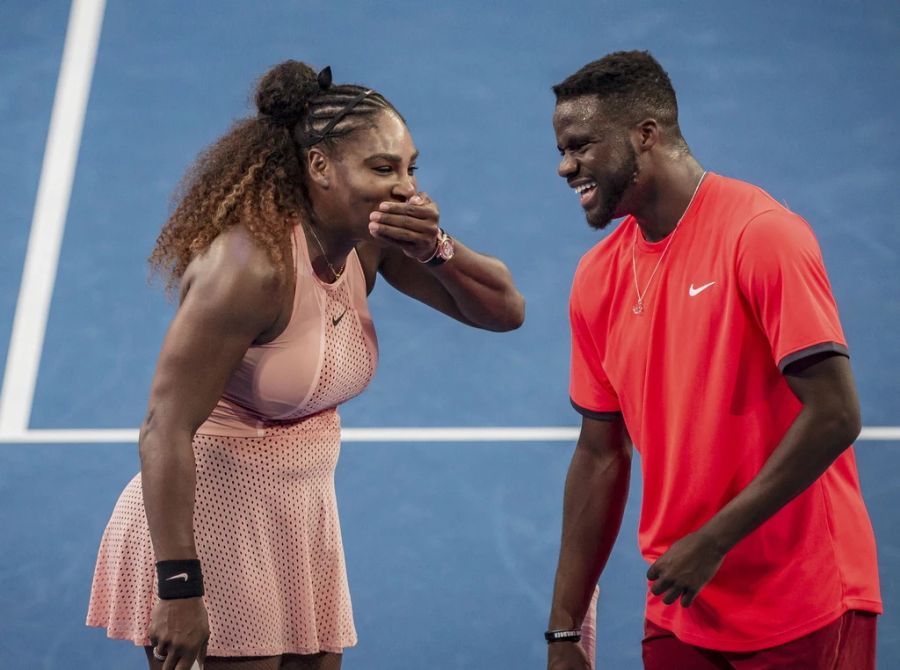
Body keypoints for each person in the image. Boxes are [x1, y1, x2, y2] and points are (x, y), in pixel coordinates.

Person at [87, 60, 525, 670]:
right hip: (212, 523)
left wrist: (436, 250)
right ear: (319, 166)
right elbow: (164, 428)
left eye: (409, 167)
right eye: (382, 168)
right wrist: (181, 587)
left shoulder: (370, 240)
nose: (406, 187)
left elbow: (505, 311)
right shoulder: (249, 270)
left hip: (300, 521)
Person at [545, 51, 881, 670]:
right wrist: (563, 631)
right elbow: (598, 455)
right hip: (683, 601)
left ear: (645, 134)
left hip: (800, 598)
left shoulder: (761, 235)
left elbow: (836, 413)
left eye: (581, 146)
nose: (566, 166)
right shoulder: (597, 278)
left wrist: (714, 540)